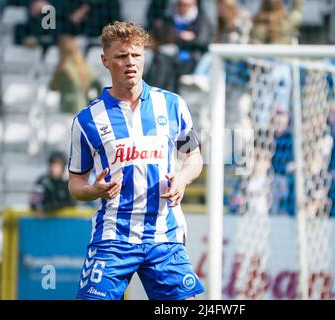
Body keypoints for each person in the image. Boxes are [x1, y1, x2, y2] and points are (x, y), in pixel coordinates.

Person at [68, 21, 205, 300]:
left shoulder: (172, 105)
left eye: (136, 55)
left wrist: (181, 177)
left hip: (164, 235)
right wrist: (94, 190)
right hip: (113, 238)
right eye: (121, 56)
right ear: (105, 60)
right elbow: (75, 183)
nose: (130, 62)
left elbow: (193, 158)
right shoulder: (87, 120)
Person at [50, 35, 102, 114]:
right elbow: (99, 85)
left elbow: (53, 87)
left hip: (67, 108)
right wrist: (93, 101)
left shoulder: (63, 68)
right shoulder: (85, 67)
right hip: (83, 105)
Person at [30, 151, 75, 216]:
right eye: (53, 165)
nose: (55, 169)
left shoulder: (68, 183)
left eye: (58, 166)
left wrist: (57, 206)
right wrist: (46, 207)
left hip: (64, 222)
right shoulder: (42, 182)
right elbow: (34, 203)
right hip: (45, 222)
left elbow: (72, 203)